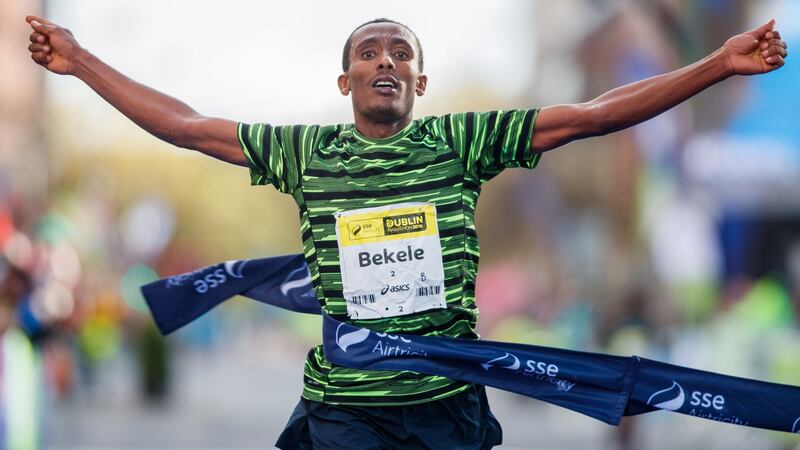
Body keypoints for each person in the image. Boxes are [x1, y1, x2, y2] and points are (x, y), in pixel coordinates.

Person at [25, 14, 788, 449]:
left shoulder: (461, 142)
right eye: (368, 52)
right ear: (346, 80)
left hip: (445, 406)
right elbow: (188, 128)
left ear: (419, 82)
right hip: (344, 412)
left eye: (401, 54)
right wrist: (83, 61)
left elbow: (596, 115)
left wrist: (717, 65)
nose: (385, 61)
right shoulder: (305, 153)